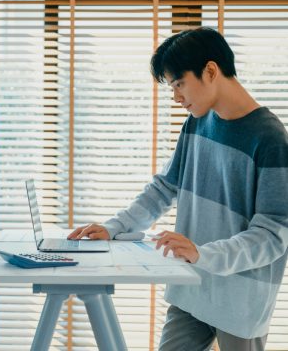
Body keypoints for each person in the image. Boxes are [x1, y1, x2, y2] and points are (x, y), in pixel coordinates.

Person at [67, 27, 288, 351]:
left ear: (210, 71)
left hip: (240, 299)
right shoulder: (198, 121)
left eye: (179, 84)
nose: (176, 97)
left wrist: (203, 254)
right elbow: (165, 187)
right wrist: (115, 227)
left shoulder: (270, 140)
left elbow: (272, 236)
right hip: (191, 285)